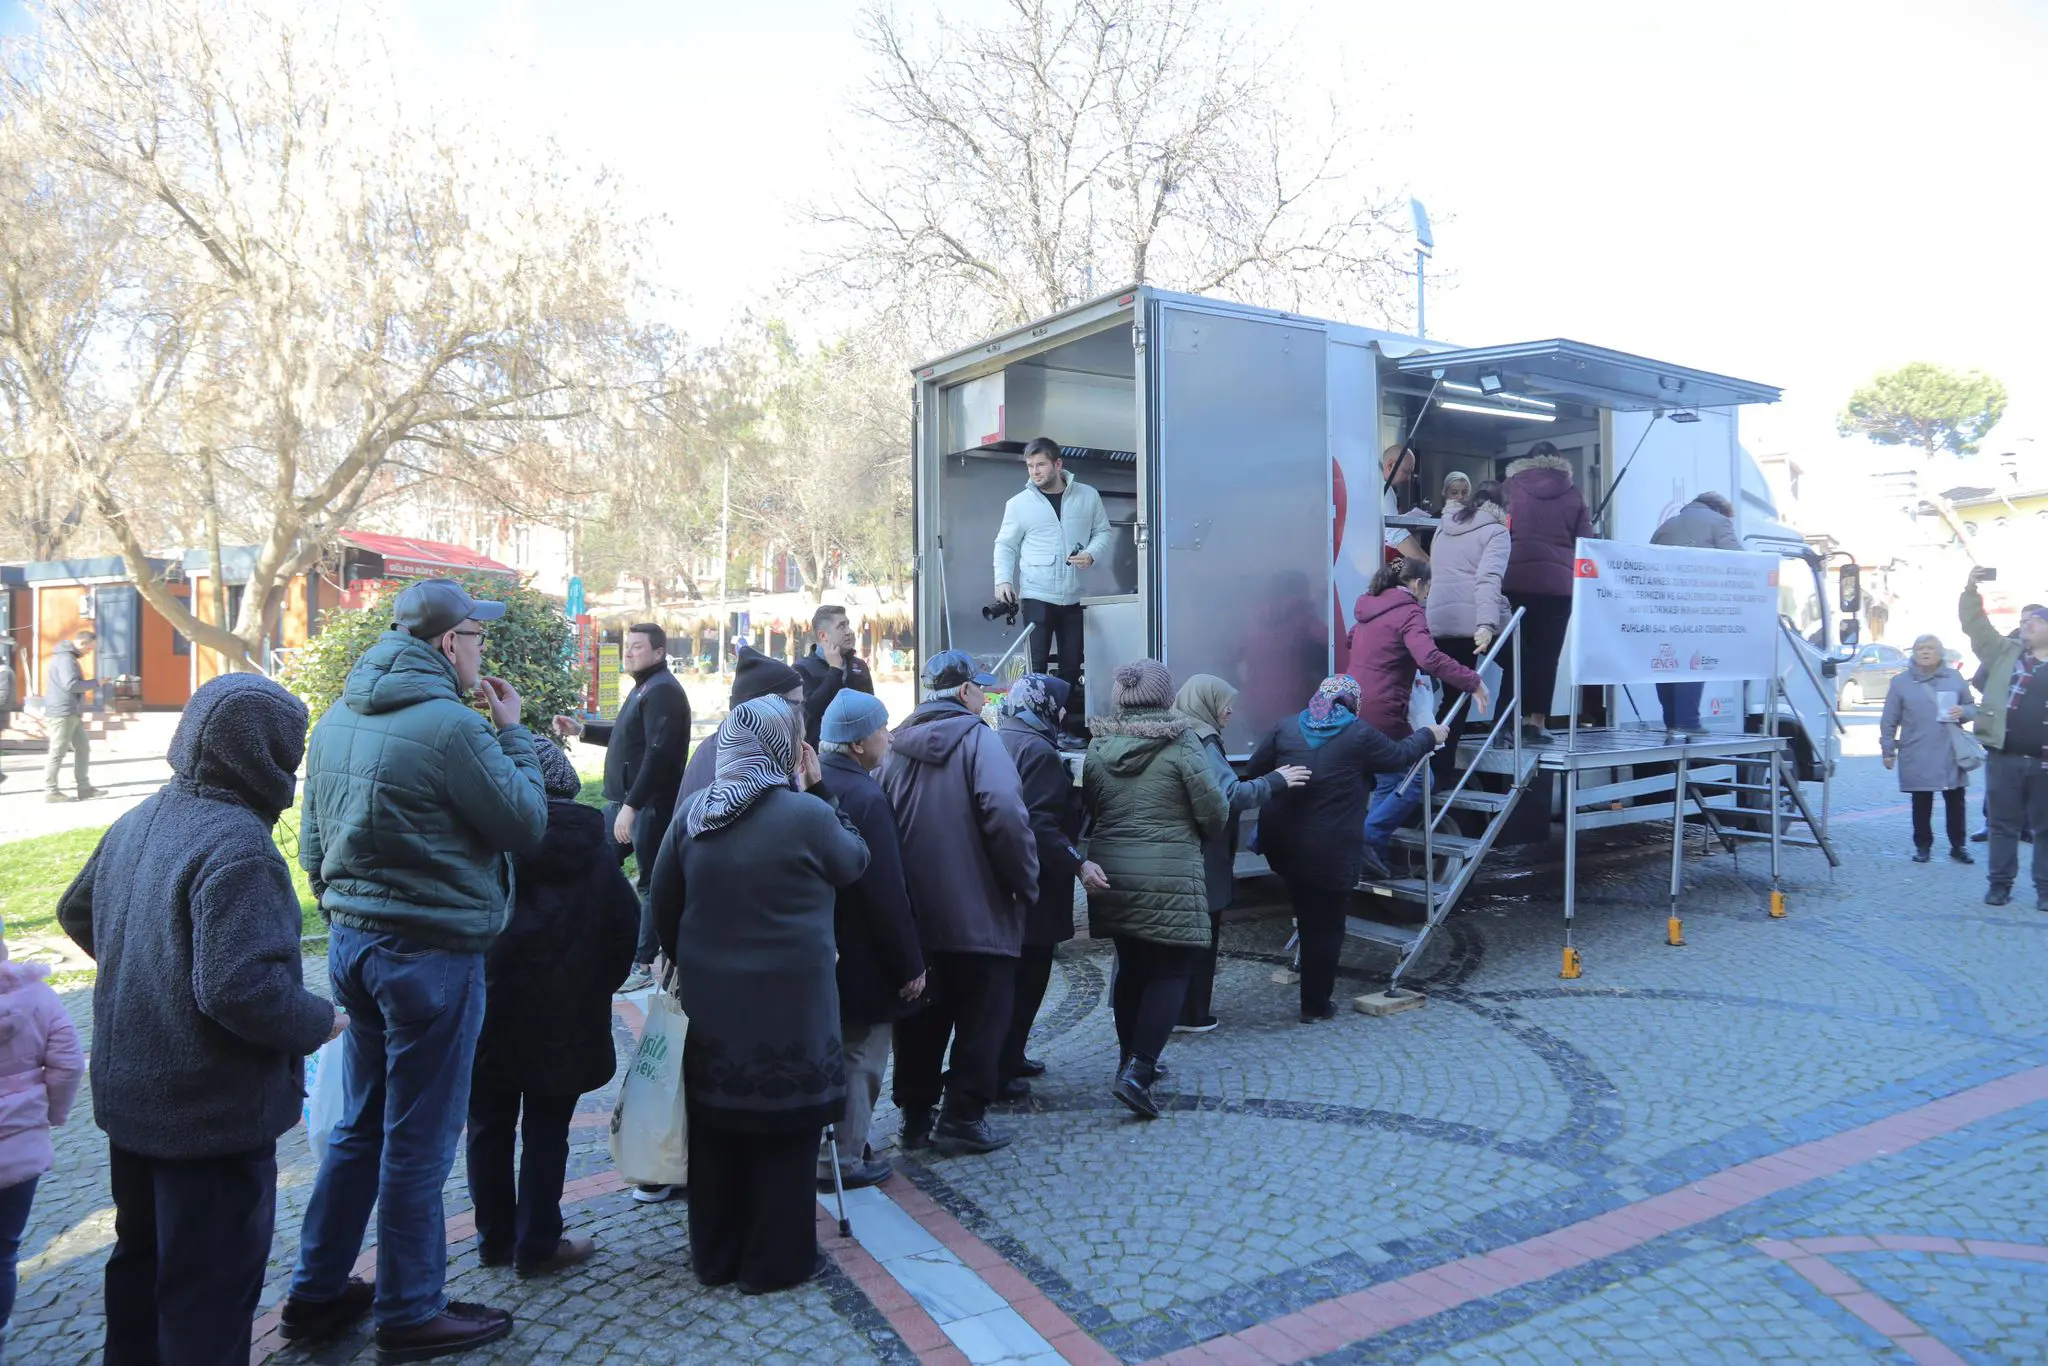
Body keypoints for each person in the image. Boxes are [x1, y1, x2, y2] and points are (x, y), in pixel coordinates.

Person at [284, 578, 547, 1358]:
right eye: (476, 636)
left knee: (362, 1126)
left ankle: (316, 1290)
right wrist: (513, 733)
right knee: (419, 1141)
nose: (482, 651)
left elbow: (308, 845)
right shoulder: (451, 728)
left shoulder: (334, 718)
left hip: (355, 947)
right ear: (446, 644)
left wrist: (341, 913)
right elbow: (526, 824)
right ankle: (410, 1310)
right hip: (431, 954)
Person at [55, 675, 340, 1362]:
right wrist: (320, 1021)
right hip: (208, 1116)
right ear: (265, 754)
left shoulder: (139, 818)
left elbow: (77, 910)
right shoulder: (239, 845)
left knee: (141, 1270)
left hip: (134, 1102)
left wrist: (151, 970)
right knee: (205, 1293)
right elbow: (241, 991)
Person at [650, 698, 869, 1294]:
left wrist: (698, 959)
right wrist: (822, 789)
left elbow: (663, 903)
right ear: (786, 745)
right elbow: (855, 862)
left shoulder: (695, 814)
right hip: (792, 1009)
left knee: (716, 1131)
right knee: (784, 1134)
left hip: (713, 1006)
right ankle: (775, 1263)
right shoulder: (805, 815)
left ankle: (716, 1257)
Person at [467, 741, 637, 1278]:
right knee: (547, 1127)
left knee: (487, 1123)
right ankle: (537, 1242)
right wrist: (594, 987)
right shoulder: (595, 851)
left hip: (490, 1007)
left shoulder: (486, 843)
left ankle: (495, 1237)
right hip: (565, 1016)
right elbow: (623, 928)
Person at [881, 650, 1039, 1155]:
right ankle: (963, 1118)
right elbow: (1007, 815)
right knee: (982, 1017)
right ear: (966, 692)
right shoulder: (979, 740)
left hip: (916, 919)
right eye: (982, 689)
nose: (986, 697)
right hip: (980, 913)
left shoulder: (892, 746)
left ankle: (914, 1118)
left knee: (921, 1020)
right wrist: (1024, 882)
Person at [1079, 660, 1229, 1118]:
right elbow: (1214, 811)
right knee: (1170, 970)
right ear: (1166, 697)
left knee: (1131, 967)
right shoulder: (1182, 743)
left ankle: (1128, 1060)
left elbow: (1092, 807)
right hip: (1168, 873)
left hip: (1113, 873)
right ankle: (1140, 1071)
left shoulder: (1098, 745)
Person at [1247, 676, 1444, 1021]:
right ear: (1352, 702)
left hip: (1285, 844)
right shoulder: (1358, 733)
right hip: (1330, 849)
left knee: (1308, 918)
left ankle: (1313, 994)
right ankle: (1315, 1005)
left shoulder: (1288, 727)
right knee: (1326, 926)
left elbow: (1254, 771)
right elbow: (1399, 756)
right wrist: (1429, 735)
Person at [813, 689, 927, 1189]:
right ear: (859, 743)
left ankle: (837, 1146)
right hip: (863, 955)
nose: (890, 736)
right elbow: (886, 891)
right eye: (883, 729)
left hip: (822, 949)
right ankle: (844, 1158)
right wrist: (910, 965)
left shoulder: (813, 782)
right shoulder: (865, 796)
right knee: (861, 1057)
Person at [554, 622, 691, 992]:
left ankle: (643, 963)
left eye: (636, 646)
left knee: (649, 882)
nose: (628, 652)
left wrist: (632, 806)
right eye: (627, 645)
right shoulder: (646, 687)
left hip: (647, 807)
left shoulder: (663, 691)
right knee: (595, 866)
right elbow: (628, 735)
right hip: (626, 804)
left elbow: (659, 755)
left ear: (659, 653)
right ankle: (606, 939)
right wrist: (581, 729)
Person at [1169, 674, 1309, 1035]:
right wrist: (1276, 781)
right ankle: (1191, 1013)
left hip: (1178, 854)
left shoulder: (1174, 730)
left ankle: (1168, 1009)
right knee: (1201, 935)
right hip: (1201, 856)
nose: (1230, 709)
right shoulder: (1201, 740)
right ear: (1206, 703)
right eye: (1223, 702)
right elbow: (1228, 794)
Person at [994, 675, 1107, 1092]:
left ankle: (1008, 1057)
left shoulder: (1004, 734)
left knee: (1011, 977)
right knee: (1029, 976)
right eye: (1061, 705)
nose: (1063, 713)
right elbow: (1040, 823)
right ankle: (1004, 1065)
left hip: (1007, 879)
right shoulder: (1039, 750)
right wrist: (1078, 861)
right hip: (1038, 883)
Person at [1347, 558, 1486, 872]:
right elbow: (1429, 656)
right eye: (1429, 588)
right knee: (1418, 779)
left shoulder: (1369, 607)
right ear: (1418, 584)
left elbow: (1351, 641)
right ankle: (1366, 840)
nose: (1427, 595)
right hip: (1385, 709)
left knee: (1389, 780)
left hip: (1356, 703)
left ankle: (1375, 854)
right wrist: (1472, 681)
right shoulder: (1409, 612)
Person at [0, 917, 83, 1358]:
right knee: (4, 1248)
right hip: (19, 1148)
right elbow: (69, 1063)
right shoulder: (38, 997)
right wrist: (52, 1114)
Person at [992, 437, 1114, 733]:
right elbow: (1005, 545)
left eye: (1041, 465)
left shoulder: (1088, 496)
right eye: (1030, 466)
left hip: (1075, 596)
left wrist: (1091, 554)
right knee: (1036, 667)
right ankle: (1035, 729)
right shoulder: (1018, 504)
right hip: (1036, 595)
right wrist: (1003, 580)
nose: (1034, 472)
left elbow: (1103, 532)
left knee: (1072, 666)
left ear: (1058, 465)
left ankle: (1065, 729)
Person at [1961, 573, 2048, 910]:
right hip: (2004, 758)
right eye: (2023, 620)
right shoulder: (2004, 654)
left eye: (2034, 620)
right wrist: (1971, 591)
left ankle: (2045, 890)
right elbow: (1976, 626)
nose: (2025, 624)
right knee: (2002, 826)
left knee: (2046, 830)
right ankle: (1999, 885)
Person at [1498, 443, 1593, 745]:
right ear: (1559, 462)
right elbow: (1585, 540)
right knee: (1546, 655)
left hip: (1515, 580)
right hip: (1557, 586)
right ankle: (1535, 723)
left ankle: (1507, 722)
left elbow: (1498, 528)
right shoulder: (1574, 493)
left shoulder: (1510, 487)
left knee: (1517, 654)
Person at [1425, 480, 1511, 784]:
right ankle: (1508, 728)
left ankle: (1435, 768)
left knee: (1454, 698)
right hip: (1472, 621)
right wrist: (1487, 625)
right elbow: (1488, 579)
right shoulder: (1497, 531)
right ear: (1503, 509)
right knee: (1521, 663)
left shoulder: (1444, 526)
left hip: (1440, 620)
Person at [1879, 634, 1978, 866]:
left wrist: (1963, 711)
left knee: (1956, 800)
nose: (1925, 652)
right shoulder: (1900, 682)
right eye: (1920, 648)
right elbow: (1889, 719)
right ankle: (1922, 846)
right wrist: (1887, 749)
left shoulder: (1954, 677)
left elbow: (1972, 707)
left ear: (1940, 652)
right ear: (1913, 653)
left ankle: (1958, 846)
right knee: (1921, 801)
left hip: (1951, 750)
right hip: (1916, 750)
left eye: (1930, 648)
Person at [1650, 493, 1743, 736]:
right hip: (1698, 605)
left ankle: (1671, 722)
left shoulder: (1665, 527)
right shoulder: (1719, 522)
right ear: (1720, 510)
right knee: (1693, 659)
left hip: (1665, 607)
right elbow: (1740, 562)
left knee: (1667, 663)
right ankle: (1689, 722)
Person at [676, 644, 808, 809]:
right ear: (769, 709)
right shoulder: (742, 764)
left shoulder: (727, 746)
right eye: (796, 705)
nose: (801, 715)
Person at [795, 604, 877, 748]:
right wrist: (834, 670)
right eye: (841, 626)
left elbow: (871, 710)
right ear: (823, 635)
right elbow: (811, 711)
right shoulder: (802, 668)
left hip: (860, 755)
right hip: (821, 756)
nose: (849, 632)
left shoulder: (859, 666)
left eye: (848, 625)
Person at [42, 627, 98, 802]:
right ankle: (51, 791)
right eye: (89, 648)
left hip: (71, 711)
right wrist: (95, 683)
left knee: (82, 747)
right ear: (82, 643)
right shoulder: (66, 659)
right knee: (57, 751)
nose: (89, 652)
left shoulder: (68, 657)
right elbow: (71, 685)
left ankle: (84, 788)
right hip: (62, 712)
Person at [1380, 444, 1427, 562]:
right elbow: (1396, 534)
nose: (1409, 478)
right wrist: (1429, 565)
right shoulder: (1381, 487)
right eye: (1406, 472)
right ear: (1390, 465)